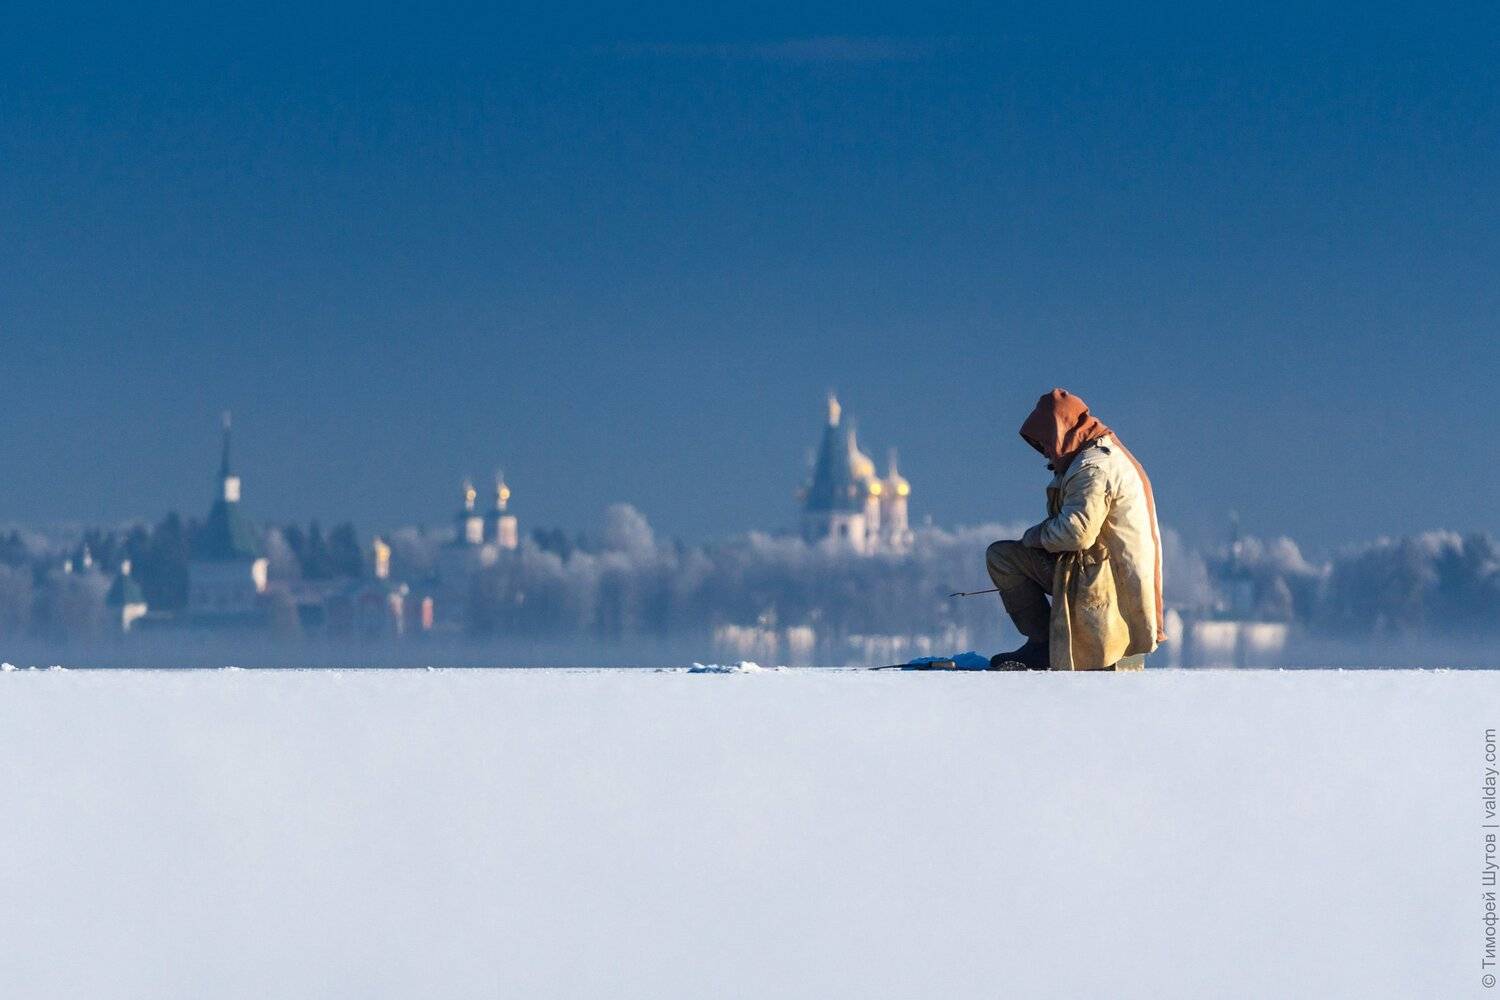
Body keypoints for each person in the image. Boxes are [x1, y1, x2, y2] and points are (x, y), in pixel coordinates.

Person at [986, 389, 1165, 671]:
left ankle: (1044, 646)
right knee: (1004, 555)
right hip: (1097, 568)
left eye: (1045, 441)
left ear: (1059, 431)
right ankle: (1042, 643)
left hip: (1103, 577)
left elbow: (1077, 532)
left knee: (1003, 557)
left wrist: (1035, 537)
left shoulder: (1093, 467)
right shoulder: (1098, 456)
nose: (1044, 450)